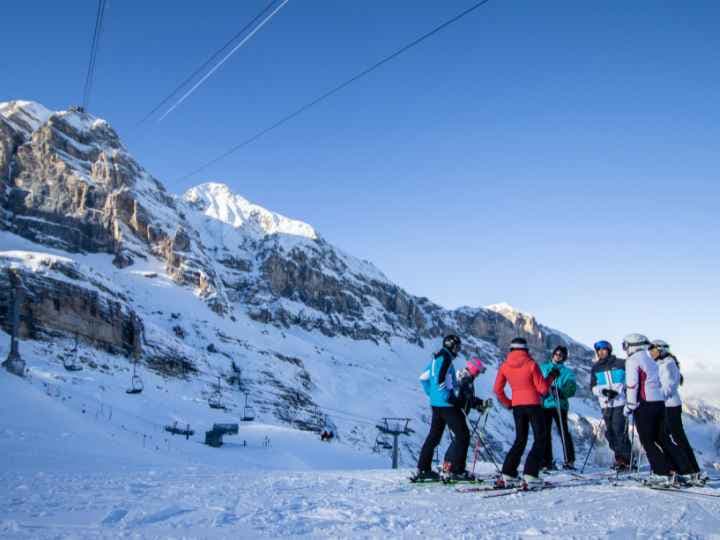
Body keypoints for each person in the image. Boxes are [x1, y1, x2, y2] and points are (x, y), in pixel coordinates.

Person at [623, 333, 689, 486]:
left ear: (633, 345)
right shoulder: (649, 358)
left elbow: (632, 385)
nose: (625, 349)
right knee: (662, 438)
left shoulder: (633, 360)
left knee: (647, 440)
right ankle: (681, 470)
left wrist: (630, 406)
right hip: (660, 403)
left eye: (625, 345)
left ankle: (662, 474)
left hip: (645, 404)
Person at [493, 337, 559, 489]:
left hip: (517, 406)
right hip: (533, 404)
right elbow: (542, 389)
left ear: (511, 350)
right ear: (525, 349)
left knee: (520, 439)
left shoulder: (504, 366)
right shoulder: (531, 364)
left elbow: (497, 389)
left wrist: (508, 402)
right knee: (540, 438)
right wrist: (551, 377)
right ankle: (530, 474)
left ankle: (508, 473)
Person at [414, 335, 473, 482]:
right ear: (451, 346)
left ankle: (423, 469)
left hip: (436, 405)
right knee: (463, 435)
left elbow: (423, 378)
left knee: (434, 437)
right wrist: (448, 397)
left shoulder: (436, 359)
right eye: (457, 347)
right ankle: (456, 470)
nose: (458, 350)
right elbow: (441, 380)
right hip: (447, 405)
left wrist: (432, 394)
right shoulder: (445, 359)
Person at [649, 339, 705, 485]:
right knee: (669, 438)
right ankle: (687, 470)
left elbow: (668, 387)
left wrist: (653, 397)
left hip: (669, 406)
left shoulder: (667, 364)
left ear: (660, 350)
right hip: (667, 406)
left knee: (672, 438)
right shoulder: (661, 363)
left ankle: (688, 471)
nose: (650, 352)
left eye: (652, 349)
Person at [442, 357, 492, 477]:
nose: (479, 374)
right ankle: (456, 469)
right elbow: (461, 398)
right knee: (463, 438)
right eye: (478, 371)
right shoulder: (464, 379)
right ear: (473, 369)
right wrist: (476, 404)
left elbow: (468, 399)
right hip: (457, 412)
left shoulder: (466, 378)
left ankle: (449, 466)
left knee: (460, 438)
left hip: (457, 412)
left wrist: (480, 404)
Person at [590, 340, 632, 470]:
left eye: (603, 350)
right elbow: (592, 387)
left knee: (619, 430)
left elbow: (630, 380)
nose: (601, 352)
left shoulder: (621, 363)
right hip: (606, 404)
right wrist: (603, 391)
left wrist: (619, 391)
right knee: (610, 433)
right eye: (598, 350)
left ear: (609, 350)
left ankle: (625, 460)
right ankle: (619, 457)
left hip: (620, 402)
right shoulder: (596, 368)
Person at [540, 345, 577, 470]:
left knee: (563, 431)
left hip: (559, 404)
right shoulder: (543, 368)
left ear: (564, 357)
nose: (558, 356)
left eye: (561, 355)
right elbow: (537, 383)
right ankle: (546, 460)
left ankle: (569, 459)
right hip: (545, 404)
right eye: (556, 353)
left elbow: (571, 388)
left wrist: (561, 392)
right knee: (545, 432)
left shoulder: (567, 372)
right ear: (553, 354)